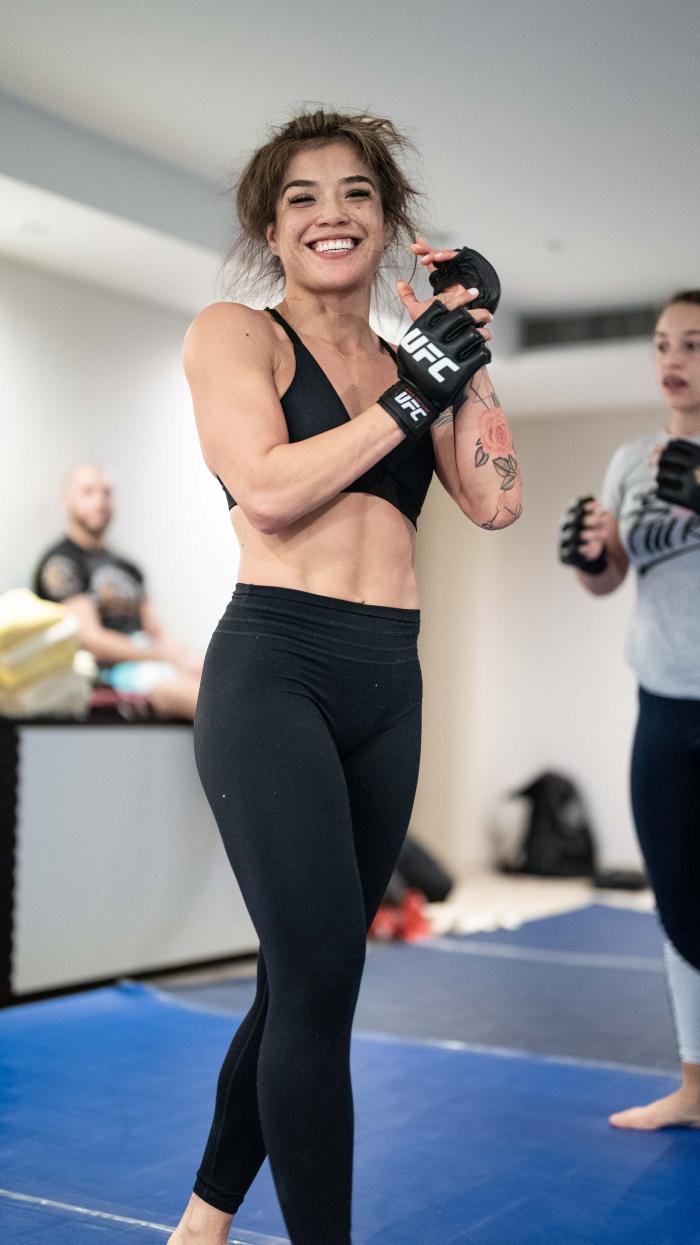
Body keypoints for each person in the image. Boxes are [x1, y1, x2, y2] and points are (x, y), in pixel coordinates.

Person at [172, 108, 522, 1245]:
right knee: (320, 977)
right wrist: (411, 392)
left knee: (302, 983)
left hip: (387, 680)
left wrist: (457, 342)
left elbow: (495, 498)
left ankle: (200, 1226)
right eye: (305, 197)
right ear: (272, 230)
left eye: (358, 194)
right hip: (275, 666)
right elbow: (267, 489)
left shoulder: (404, 359)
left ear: (389, 222)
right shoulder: (237, 332)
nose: (333, 214)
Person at [559, 289, 700, 1130]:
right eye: (660, 344)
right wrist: (586, 556)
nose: (672, 359)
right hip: (661, 698)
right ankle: (695, 1085)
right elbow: (609, 575)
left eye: (692, 342)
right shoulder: (634, 458)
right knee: (680, 902)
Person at [33, 463, 201, 720]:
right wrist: (161, 657)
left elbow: (155, 631)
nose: (99, 500)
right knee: (206, 700)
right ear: (65, 502)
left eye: (106, 493)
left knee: (218, 685)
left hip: (149, 659)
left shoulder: (128, 567)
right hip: (110, 670)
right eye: (88, 492)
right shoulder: (61, 563)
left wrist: (186, 660)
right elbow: (91, 640)